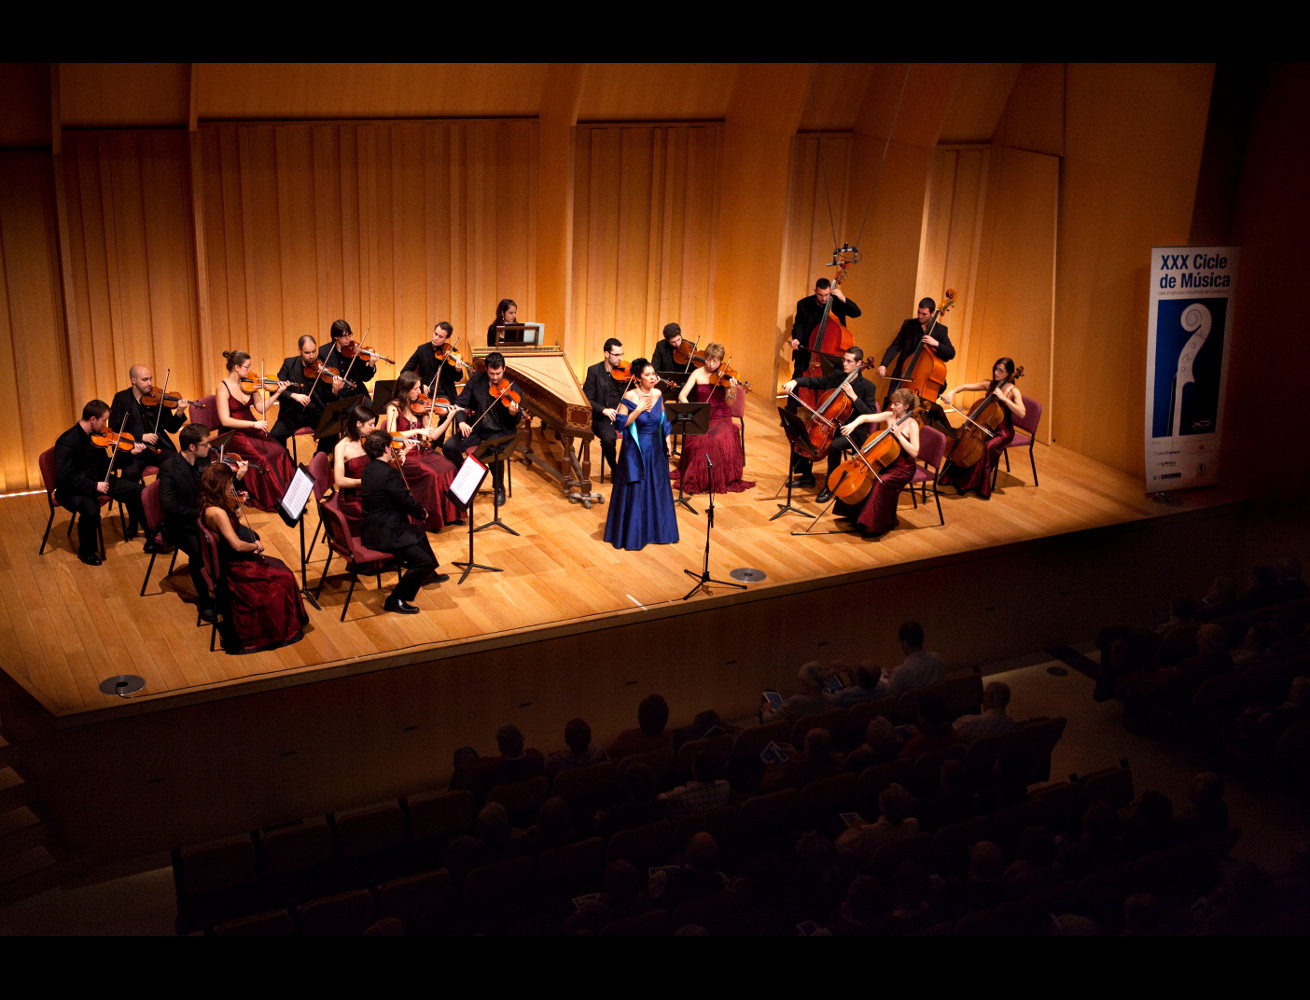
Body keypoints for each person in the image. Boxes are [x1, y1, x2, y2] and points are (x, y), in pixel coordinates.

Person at [199, 461, 307, 654]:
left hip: (232, 560)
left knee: (280, 566)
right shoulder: (216, 512)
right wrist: (255, 546)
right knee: (284, 578)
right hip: (233, 569)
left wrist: (235, 510)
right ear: (220, 486)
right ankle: (276, 630)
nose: (232, 488)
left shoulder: (211, 502)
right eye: (229, 484)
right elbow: (237, 545)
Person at [159, 423, 247, 623]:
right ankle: (205, 602)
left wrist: (236, 482)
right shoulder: (169, 470)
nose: (211, 448)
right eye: (206, 444)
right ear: (192, 447)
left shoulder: (203, 462)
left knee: (249, 537)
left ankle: (237, 587)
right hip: (182, 526)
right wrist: (203, 514)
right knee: (201, 552)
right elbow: (170, 509)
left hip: (208, 520)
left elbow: (217, 490)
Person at [360, 429, 446, 614]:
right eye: (390, 446)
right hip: (385, 533)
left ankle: (428, 573)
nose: (392, 448)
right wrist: (422, 513)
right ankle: (395, 599)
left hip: (374, 526)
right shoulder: (388, 474)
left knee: (418, 533)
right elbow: (405, 500)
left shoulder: (369, 469)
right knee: (421, 561)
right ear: (385, 448)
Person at [53, 400, 149, 566]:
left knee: (138, 491)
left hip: (100, 479)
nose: (106, 425)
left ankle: (152, 536)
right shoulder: (67, 441)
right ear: (92, 419)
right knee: (91, 510)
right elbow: (65, 477)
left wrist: (129, 453)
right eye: (103, 420)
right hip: (74, 489)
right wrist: (94, 486)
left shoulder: (96, 437)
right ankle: (87, 551)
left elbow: (106, 465)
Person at [781, 346, 880, 499]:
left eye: (849, 361)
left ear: (859, 363)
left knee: (834, 445)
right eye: (843, 360)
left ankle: (830, 486)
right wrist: (795, 381)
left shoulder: (867, 387)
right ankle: (806, 476)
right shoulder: (837, 376)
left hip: (852, 430)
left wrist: (854, 397)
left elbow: (871, 414)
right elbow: (816, 382)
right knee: (801, 432)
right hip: (829, 425)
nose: (844, 364)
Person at [603, 358, 679, 551]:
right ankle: (635, 533)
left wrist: (667, 439)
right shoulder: (629, 396)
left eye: (653, 374)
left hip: (655, 448)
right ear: (638, 378)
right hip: (636, 449)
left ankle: (656, 531)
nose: (652, 377)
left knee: (657, 488)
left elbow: (662, 418)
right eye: (647, 375)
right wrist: (637, 411)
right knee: (637, 489)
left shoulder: (658, 393)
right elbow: (621, 425)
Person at [215, 350, 297, 513]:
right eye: (247, 367)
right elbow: (225, 420)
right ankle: (272, 498)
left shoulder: (250, 383)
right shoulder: (222, 388)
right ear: (237, 367)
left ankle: (289, 496)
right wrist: (253, 425)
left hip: (253, 426)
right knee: (262, 458)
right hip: (234, 433)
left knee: (279, 451)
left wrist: (278, 393)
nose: (250, 370)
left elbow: (261, 408)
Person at [834, 387, 921, 538]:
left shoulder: (912, 424)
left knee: (880, 481)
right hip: (885, 461)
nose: (892, 406)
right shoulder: (889, 416)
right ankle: (855, 515)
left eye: (897, 404)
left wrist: (900, 436)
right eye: (893, 403)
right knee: (865, 478)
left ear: (906, 407)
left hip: (903, 467)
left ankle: (873, 524)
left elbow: (915, 452)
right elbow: (865, 418)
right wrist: (852, 425)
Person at [441, 351, 522, 507]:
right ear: (486, 369)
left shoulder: (514, 389)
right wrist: (461, 422)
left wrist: (513, 413)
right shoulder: (476, 380)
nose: (495, 377)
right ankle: (467, 473)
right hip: (476, 428)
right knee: (449, 447)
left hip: (500, 432)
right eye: (491, 373)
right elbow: (460, 402)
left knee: (493, 451)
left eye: (498, 373)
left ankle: (499, 487)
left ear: (504, 369)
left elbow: (515, 421)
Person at [383, 372, 462, 532]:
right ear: (405, 390)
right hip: (403, 454)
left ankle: (451, 515)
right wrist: (418, 430)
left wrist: (449, 418)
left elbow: (432, 435)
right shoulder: (393, 407)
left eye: (419, 388)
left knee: (450, 467)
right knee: (432, 474)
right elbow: (392, 434)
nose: (420, 392)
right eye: (416, 389)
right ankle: (432, 519)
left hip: (421, 450)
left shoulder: (421, 406)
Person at [674, 342, 754, 495]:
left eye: (715, 361)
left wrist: (732, 389)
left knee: (714, 440)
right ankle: (701, 478)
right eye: (708, 359)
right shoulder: (697, 373)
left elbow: (729, 403)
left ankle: (712, 478)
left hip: (721, 418)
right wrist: (692, 411)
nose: (711, 364)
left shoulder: (725, 376)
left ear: (720, 361)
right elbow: (682, 395)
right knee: (699, 440)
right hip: (702, 417)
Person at [940, 357, 1025, 499]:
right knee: (963, 441)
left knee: (986, 447)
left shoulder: (1013, 391)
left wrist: (1004, 399)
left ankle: (970, 484)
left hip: (1003, 431)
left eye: (1001, 371)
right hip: (983, 426)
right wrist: (952, 392)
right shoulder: (990, 384)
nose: (996, 373)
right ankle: (951, 478)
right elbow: (965, 387)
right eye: (995, 369)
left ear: (1009, 373)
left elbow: (1022, 412)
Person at [109, 364, 187, 481]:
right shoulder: (121, 399)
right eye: (145, 380)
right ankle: (137, 498)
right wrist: (140, 437)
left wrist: (179, 412)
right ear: (133, 380)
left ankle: (159, 494)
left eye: (150, 379)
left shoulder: (157, 397)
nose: (150, 383)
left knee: (173, 463)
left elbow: (171, 428)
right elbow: (115, 430)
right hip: (134, 449)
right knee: (130, 473)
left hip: (157, 448)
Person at [270, 335, 347, 451]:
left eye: (313, 351)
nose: (312, 356)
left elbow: (328, 398)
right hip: (292, 414)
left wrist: (335, 390)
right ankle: (288, 463)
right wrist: (293, 395)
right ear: (299, 350)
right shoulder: (289, 364)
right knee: (275, 436)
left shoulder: (322, 368)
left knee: (333, 430)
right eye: (307, 353)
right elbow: (274, 390)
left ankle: (318, 460)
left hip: (315, 412)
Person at [789, 276, 862, 383]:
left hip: (829, 356)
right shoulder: (804, 304)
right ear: (815, 291)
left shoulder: (837, 303)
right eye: (820, 295)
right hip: (808, 350)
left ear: (830, 292)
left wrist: (843, 298)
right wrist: (797, 338)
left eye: (826, 295)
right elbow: (799, 325)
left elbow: (857, 313)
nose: (823, 299)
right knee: (797, 382)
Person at [878, 296, 956, 396]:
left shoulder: (940, 330)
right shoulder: (908, 325)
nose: (920, 316)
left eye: (924, 314)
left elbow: (951, 353)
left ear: (932, 314)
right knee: (891, 400)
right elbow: (895, 346)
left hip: (923, 379)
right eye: (918, 312)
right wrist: (884, 364)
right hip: (903, 373)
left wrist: (936, 343)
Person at [582, 337, 628, 480]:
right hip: (601, 417)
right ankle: (615, 470)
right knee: (609, 438)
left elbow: (633, 391)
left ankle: (634, 469)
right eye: (617, 355)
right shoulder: (594, 371)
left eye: (621, 354)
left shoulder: (624, 373)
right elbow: (587, 399)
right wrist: (604, 410)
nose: (620, 358)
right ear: (606, 354)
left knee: (643, 430)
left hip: (622, 415)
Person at [401, 320, 467, 408]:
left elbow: (457, 378)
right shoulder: (422, 350)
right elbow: (405, 372)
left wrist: (458, 370)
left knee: (447, 411)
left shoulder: (451, 352)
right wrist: (420, 385)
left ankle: (443, 422)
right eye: (435, 334)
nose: (436, 338)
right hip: (424, 392)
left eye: (440, 337)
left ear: (446, 338)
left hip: (444, 393)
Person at [332, 403, 377, 529]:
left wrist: (400, 457)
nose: (374, 428)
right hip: (351, 498)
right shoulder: (341, 447)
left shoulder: (370, 440)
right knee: (380, 514)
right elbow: (340, 481)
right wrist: (363, 482)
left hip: (371, 491)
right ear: (358, 424)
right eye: (370, 424)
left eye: (374, 424)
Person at [321, 319, 378, 404]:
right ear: (335, 337)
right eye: (344, 336)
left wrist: (371, 364)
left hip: (356, 392)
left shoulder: (355, 351)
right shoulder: (324, 352)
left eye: (349, 335)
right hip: (337, 395)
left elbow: (365, 377)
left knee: (371, 412)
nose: (348, 339)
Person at [885, 621, 945, 697]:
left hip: (909, 708)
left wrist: (896, 676)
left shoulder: (901, 672)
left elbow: (889, 695)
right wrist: (895, 675)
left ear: (905, 643)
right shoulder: (936, 659)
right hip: (936, 707)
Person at [952, 681, 1017, 742]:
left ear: (989, 697)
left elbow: (949, 736)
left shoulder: (967, 723)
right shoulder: (1010, 724)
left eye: (984, 694)